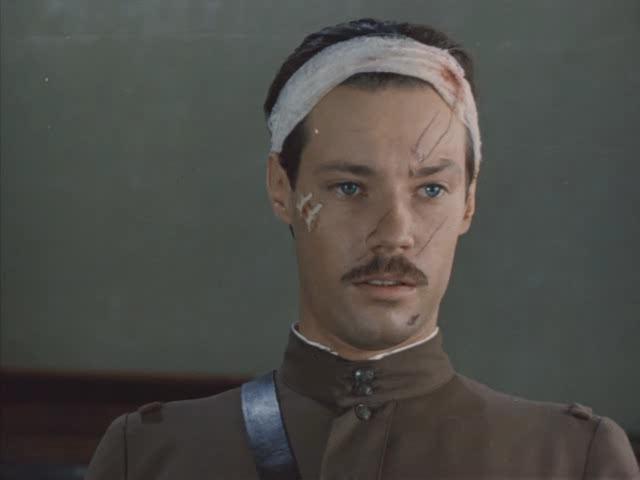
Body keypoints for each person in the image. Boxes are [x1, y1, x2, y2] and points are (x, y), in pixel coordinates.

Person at [86, 18, 639, 479]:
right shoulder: (154, 456)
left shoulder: (569, 460)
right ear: (282, 188)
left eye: (431, 189)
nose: (395, 233)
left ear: (468, 201)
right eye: (350, 187)